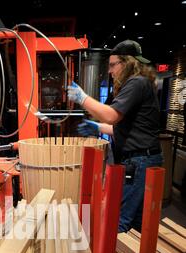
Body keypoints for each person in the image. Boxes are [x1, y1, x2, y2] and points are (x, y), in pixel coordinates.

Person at [67, 39, 163, 233]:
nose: (110, 71)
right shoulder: (142, 83)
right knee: (137, 220)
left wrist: (82, 98)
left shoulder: (136, 83)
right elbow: (126, 128)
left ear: (127, 63)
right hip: (142, 158)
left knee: (120, 220)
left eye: (112, 65)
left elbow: (111, 115)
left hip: (139, 160)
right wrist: (97, 127)